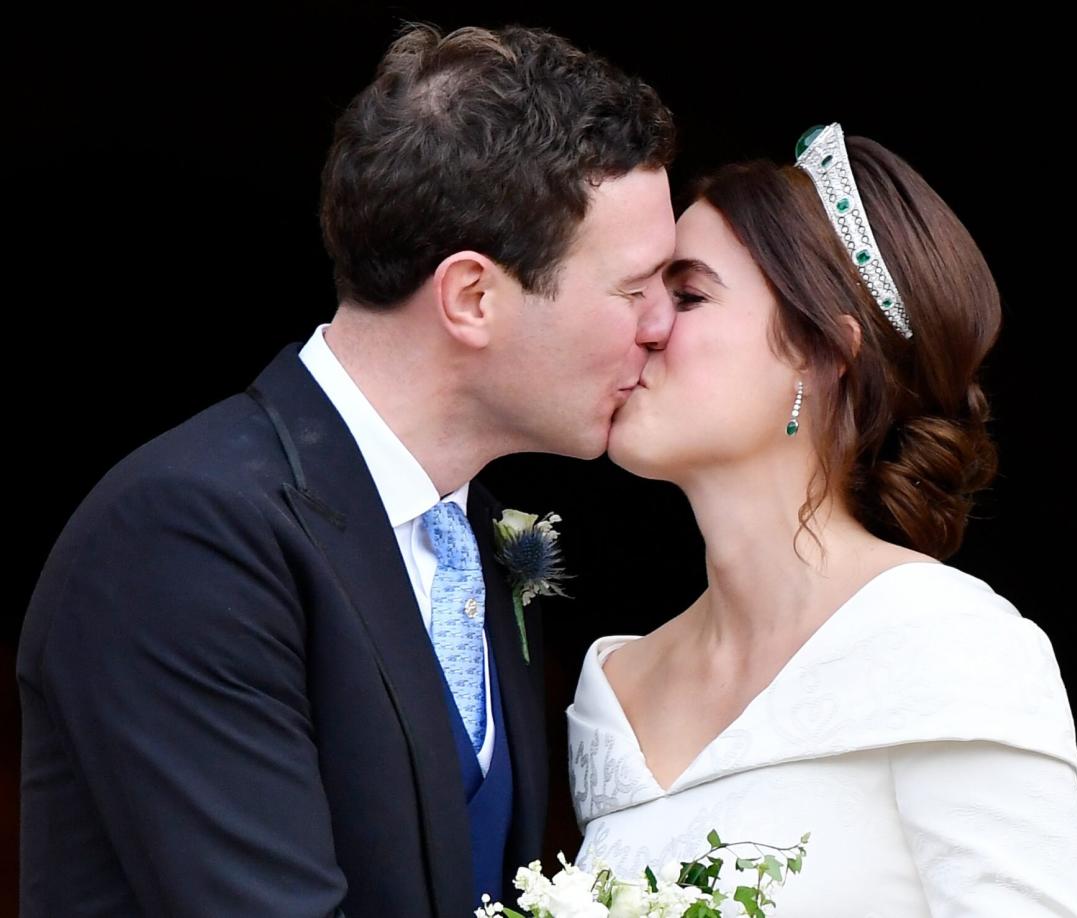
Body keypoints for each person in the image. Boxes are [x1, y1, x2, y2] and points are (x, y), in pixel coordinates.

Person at [18, 24, 677, 917]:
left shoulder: (484, 534)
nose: (661, 325)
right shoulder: (185, 535)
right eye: (636, 289)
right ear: (473, 297)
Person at [569, 123, 1077, 916]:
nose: (645, 326)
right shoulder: (612, 688)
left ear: (824, 353)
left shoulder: (951, 646)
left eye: (687, 294)